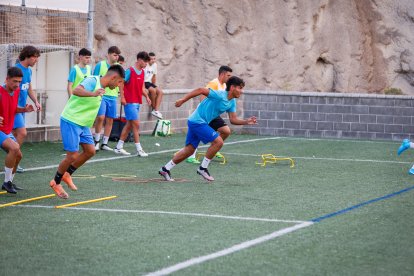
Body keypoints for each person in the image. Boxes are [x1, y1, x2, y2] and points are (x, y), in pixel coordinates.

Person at [159, 76, 257, 182]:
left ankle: (165, 169)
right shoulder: (219, 95)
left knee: (189, 150)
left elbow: (233, 120)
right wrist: (183, 100)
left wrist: (246, 121)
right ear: (232, 87)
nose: (241, 91)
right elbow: (200, 90)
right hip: (197, 122)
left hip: (197, 122)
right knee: (218, 142)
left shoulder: (231, 102)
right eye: (240, 88)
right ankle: (203, 168)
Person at [49, 64, 125, 199]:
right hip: (71, 120)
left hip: (83, 124)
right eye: (119, 82)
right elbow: (76, 90)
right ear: (113, 77)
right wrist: (92, 93)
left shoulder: (103, 88)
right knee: (72, 155)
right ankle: (56, 182)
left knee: (90, 151)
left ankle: (67, 174)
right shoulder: (92, 81)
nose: (119, 85)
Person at [187, 65, 233, 164]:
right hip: (204, 114)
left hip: (213, 114)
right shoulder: (214, 83)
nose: (230, 78)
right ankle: (191, 156)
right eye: (228, 76)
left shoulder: (224, 86)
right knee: (199, 132)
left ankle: (214, 148)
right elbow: (203, 94)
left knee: (226, 131)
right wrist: (205, 110)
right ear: (222, 74)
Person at [1, 67, 34, 193]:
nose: (17, 84)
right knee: (14, 148)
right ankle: (6, 182)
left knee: (18, 155)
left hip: (6, 130)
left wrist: (24, 109)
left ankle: (8, 182)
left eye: (19, 82)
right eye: (14, 81)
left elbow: (13, 109)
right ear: (7, 79)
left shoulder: (16, 91)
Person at [114, 52, 151, 157]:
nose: (145, 64)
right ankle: (139, 149)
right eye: (145, 62)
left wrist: (147, 97)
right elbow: (121, 82)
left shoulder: (143, 72)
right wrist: (123, 97)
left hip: (137, 102)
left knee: (130, 124)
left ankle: (118, 147)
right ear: (139, 60)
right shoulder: (129, 71)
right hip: (129, 102)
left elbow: (142, 88)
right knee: (136, 124)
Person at [13, 45, 42, 173]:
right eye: (35, 57)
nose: (36, 60)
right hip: (15, 109)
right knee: (21, 133)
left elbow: (29, 89)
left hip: (22, 109)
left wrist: (36, 101)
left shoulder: (29, 71)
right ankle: (14, 159)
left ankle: (13, 160)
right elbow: (8, 89)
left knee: (16, 134)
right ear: (27, 57)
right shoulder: (16, 69)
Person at [93, 46, 122, 151]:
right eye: (115, 55)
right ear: (109, 54)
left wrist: (121, 95)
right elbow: (94, 79)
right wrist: (96, 93)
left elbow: (121, 83)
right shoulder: (100, 65)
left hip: (113, 96)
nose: (116, 57)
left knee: (110, 120)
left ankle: (104, 143)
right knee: (100, 117)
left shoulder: (118, 66)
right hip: (102, 95)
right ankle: (96, 141)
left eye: (118, 55)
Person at [144, 52, 163, 119]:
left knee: (160, 92)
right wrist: (143, 88)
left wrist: (154, 85)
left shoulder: (155, 65)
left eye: (154, 59)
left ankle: (156, 110)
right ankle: (154, 108)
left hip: (149, 82)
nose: (153, 60)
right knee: (152, 90)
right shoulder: (145, 65)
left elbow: (154, 76)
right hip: (144, 82)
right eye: (151, 59)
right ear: (148, 59)